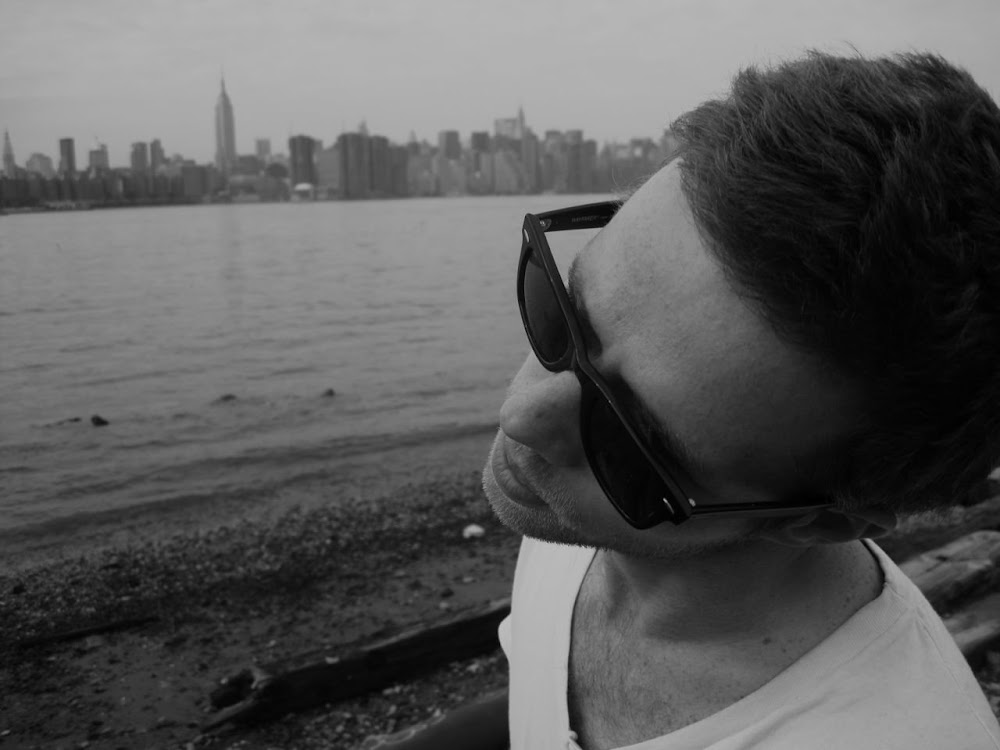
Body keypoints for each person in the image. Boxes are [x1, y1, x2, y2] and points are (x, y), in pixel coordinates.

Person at [378, 50, 1000, 749]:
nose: (521, 417)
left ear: (822, 522)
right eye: (562, 312)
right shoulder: (579, 513)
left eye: (628, 440)